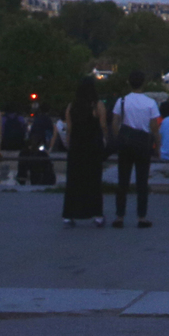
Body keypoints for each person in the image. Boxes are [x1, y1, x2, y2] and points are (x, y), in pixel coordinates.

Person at [110, 72, 159, 227]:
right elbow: (154, 127)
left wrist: (120, 138)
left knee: (122, 181)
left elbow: (115, 123)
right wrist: (157, 145)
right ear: (143, 83)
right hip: (143, 144)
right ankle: (141, 217)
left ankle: (119, 216)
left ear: (128, 82)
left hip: (126, 144)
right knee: (142, 181)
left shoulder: (122, 101)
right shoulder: (150, 103)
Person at [62, 78, 106, 227]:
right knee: (93, 181)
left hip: (76, 146)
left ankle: (69, 214)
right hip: (92, 146)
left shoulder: (71, 106)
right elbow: (103, 126)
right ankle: (97, 214)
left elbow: (69, 128)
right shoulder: (97, 105)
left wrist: (69, 144)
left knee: (73, 181)